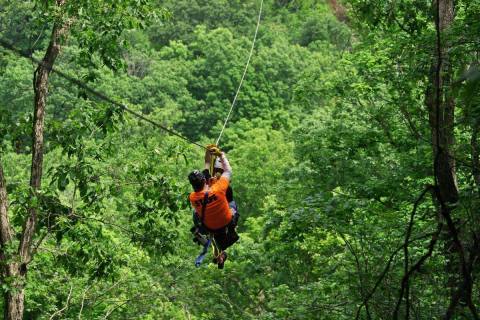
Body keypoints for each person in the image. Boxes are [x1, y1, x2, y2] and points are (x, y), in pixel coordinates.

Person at [188, 146, 239, 269]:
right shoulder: (219, 188)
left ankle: (216, 251)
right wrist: (221, 154)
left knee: (196, 213)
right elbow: (228, 171)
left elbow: (206, 163)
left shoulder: (193, 197)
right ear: (204, 181)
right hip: (226, 221)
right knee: (231, 202)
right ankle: (218, 251)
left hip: (210, 226)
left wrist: (207, 151)